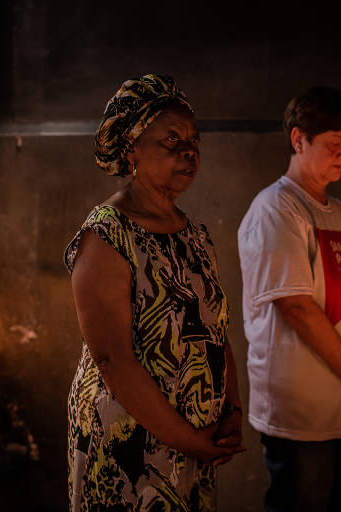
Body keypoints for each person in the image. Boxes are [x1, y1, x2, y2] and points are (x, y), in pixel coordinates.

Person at [65, 74, 244, 512]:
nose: (188, 151)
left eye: (194, 141)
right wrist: (190, 440)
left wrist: (232, 413)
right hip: (130, 447)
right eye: (170, 139)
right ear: (132, 150)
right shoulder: (106, 236)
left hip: (194, 443)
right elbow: (113, 361)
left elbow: (216, 332)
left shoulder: (197, 234)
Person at [237, 87, 341, 512]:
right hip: (302, 416)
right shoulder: (276, 208)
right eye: (333, 145)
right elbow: (296, 308)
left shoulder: (340, 212)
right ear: (298, 139)